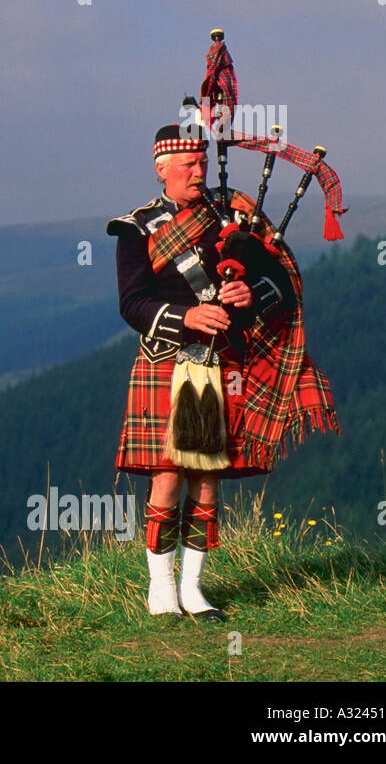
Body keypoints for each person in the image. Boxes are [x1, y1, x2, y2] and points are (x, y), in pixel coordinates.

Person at [106, 123, 340, 621]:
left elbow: (279, 277)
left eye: (202, 163)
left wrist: (249, 293)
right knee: (167, 477)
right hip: (164, 361)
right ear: (161, 169)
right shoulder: (135, 228)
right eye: (188, 165)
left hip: (220, 362)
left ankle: (194, 590)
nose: (198, 172)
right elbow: (131, 303)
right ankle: (160, 589)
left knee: (208, 479)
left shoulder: (231, 217)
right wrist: (187, 316)